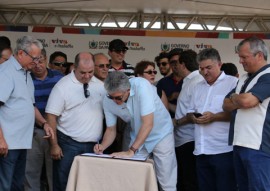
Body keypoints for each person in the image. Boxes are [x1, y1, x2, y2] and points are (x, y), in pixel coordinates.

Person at [94, 71, 177, 191]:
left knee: (166, 179)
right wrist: (102, 145)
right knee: (134, 175)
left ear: (128, 89)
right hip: (139, 134)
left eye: (118, 98)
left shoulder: (142, 86)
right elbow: (111, 129)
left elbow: (148, 124)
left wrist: (131, 150)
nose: (114, 101)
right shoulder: (108, 100)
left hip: (161, 133)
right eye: (111, 96)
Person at [46, 52, 106, 191]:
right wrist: (54, 145)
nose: (87, 76)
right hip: (67, 143)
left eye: (90, 72)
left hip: (94, 146)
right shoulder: (63, 86)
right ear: (74, 67)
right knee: (63, 182)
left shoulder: (101, 86)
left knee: (89, 184)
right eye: (82, 72)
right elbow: (51, 116)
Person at [0, 35, 54, 191]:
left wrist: (44, 123)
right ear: (21, 53)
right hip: (7, 144)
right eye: (34, 58)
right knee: (5, 185)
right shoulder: (6, 72)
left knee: (17, 185)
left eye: (39, 59)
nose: (36, 62)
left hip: (22, 142)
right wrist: (1, 139)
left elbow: (30, 106)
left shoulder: (26, 74)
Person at [222, 36, 270, 191]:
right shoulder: (243, 78)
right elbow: (225, 104)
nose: (241, 61)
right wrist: (239, 99)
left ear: (260, 56)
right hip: (239, 143)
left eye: (244, 57)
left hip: (258, 146)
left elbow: (247, 102)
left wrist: (235, 97)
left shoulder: (268, 75)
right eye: (240, 57)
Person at [188, 48, 238, 191]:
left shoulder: (233, 83)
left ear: (219, 64)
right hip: (201, 150)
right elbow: (191, 111)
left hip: (224, 151)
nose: (205, 72)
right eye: (201, 69)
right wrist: (193, 117)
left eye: (208, 68)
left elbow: (239, 114)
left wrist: (214, 117)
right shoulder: (197, 87)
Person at [24, 48, 63, 191]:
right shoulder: (25, 78)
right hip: (33, 131)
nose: (37, 65)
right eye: (34, 61)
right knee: (30, 172)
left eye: (40, 61)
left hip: (56, 132)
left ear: (46, 59)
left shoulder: (58, 77)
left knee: (54, 173)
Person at [173, 49, 203, 191]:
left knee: (190, 181)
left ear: (183, 64)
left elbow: (195, 114)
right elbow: (184, 110)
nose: (175, 67)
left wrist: (177, 122)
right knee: (185, 180)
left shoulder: (197, 81)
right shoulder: (188, 81)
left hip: (189, 139)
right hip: (182, 139)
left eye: (176, 63)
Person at [108, 39, 135, 151]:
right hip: (108, 112)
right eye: (118, 50)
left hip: (126, 112)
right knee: (109, 147)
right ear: (110, 52)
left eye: (123, 50)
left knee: (124, 147)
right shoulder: (105, 68)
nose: (121, 53)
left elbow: (132, 92)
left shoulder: (131, 69)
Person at [157, 48, 183, 118]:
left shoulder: (191, 81)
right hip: (167, 124)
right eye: (173, 62)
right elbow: (157, 105)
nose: (176, 64)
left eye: (179, 61)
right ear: (170, 64)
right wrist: (169, 98)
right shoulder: (162, 82)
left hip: (189, 125)